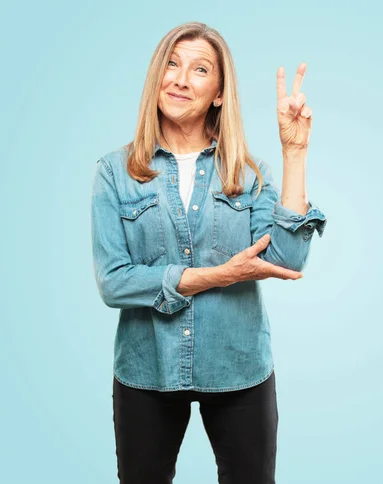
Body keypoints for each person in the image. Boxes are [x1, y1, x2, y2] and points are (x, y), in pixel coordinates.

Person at [90, 21, 327, 484]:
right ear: (157, 76)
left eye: (200, 70)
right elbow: (113, 281)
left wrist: (294, 152)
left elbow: (287, 260)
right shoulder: (114, 172)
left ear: (219, 92)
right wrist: (215, 276)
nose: (181, 79)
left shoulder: (246, 172)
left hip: (239, 369)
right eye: (172, 65)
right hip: (147, 370)